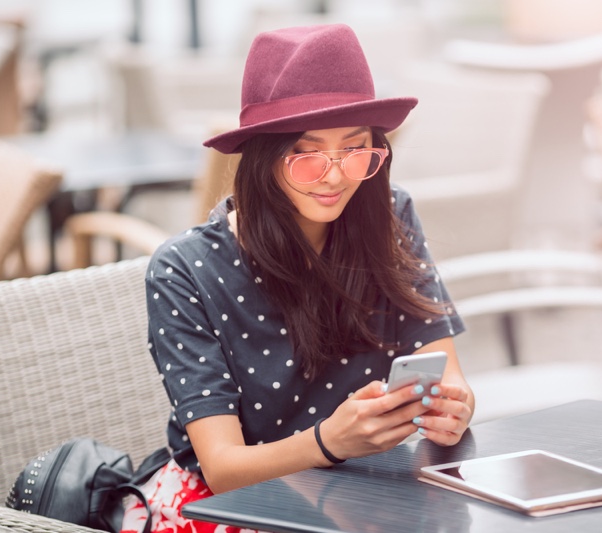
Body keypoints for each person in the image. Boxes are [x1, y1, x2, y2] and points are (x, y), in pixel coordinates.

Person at [121, 23, 475, 533]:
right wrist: (330, 441)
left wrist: (453, 407)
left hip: (368, 491)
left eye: (356, 150)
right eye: (307, 155)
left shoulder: (390, 217)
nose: (334, 176)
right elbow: (223, 470)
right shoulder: (184, 269)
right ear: (262, 158)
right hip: (234, 506)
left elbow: (444, 372)